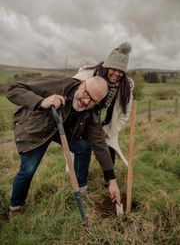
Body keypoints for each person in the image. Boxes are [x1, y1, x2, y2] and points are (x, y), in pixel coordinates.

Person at [6, 75, 121, 217]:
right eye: (86, 94)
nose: (86, 101)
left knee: (84, 146)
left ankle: (81, 187)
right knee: (28, 170)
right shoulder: (60, 84)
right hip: (37, 131)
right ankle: (16, 207)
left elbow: (100, 144)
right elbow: (13, 89)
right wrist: (42, 102)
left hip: (63, 132)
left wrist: (112, 180)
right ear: (82, 84)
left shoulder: (92, 112)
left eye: (92, 100)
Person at [72, 42, 134, 185]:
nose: (117, 73)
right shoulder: (89, 75)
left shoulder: (125, 87)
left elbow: (126, 113)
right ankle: (80, 184)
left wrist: (111, 132)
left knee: (108, 150)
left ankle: (109, 181)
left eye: (121, 71)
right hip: (85, 123)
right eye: (114, 69)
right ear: (107, 66)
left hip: (106, 126)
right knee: (84, 150)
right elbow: (71, 90)